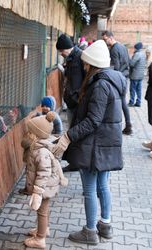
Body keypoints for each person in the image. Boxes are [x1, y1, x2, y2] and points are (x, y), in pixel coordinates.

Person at [52, 40, 125, 245]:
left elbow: (93, 120)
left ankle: (90, 231)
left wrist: (68, 136)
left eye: (86, 63)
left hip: (95, 146)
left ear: (92, 64)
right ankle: (105, 224)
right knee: (103, 186)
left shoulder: (100, 85)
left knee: (91, 189)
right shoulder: (113, 80)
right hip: (106, 143)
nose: (84, 66)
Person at [21, 112, 68, 249]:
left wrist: (37, 192)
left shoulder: (41, 152)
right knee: (43, 210)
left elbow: (43, 173)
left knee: (42, 210)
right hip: (44, 186)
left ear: (36, 133)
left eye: (29, 131)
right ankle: (43, 229)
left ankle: (40, 239)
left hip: (44, 187)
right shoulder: (37, 146)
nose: (27, 133)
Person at [56, 34, 85, 172]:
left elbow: (82, 80)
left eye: (61, 50)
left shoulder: (79, 57)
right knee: (72, 130)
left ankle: (76, 162)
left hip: (76, 102)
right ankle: (74, 161)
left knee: (74, 132)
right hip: (72, 101)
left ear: (67, 48)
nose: (61, 53)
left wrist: (75, 97)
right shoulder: (72, 57)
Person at [102, 30, 132, 135]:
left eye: (105, 39)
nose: (105, 42)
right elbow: (129, 61)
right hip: (125, 77)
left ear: (111, 37)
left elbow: (116, 67)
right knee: (123, 102)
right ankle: (128, 125)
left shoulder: (114, 49)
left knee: (118, 102)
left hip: (118, 78)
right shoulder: (123, 47)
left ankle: (117, 127)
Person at [128, 42, 147, 107]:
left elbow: (131, 64)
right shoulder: (143, 54)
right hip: (141, 75)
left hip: (135, 75)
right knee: (139, 90)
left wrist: (130, 59)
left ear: (136, 48)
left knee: (132, 89)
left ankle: (131, 102)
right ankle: (138, 102)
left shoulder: (137, 54)